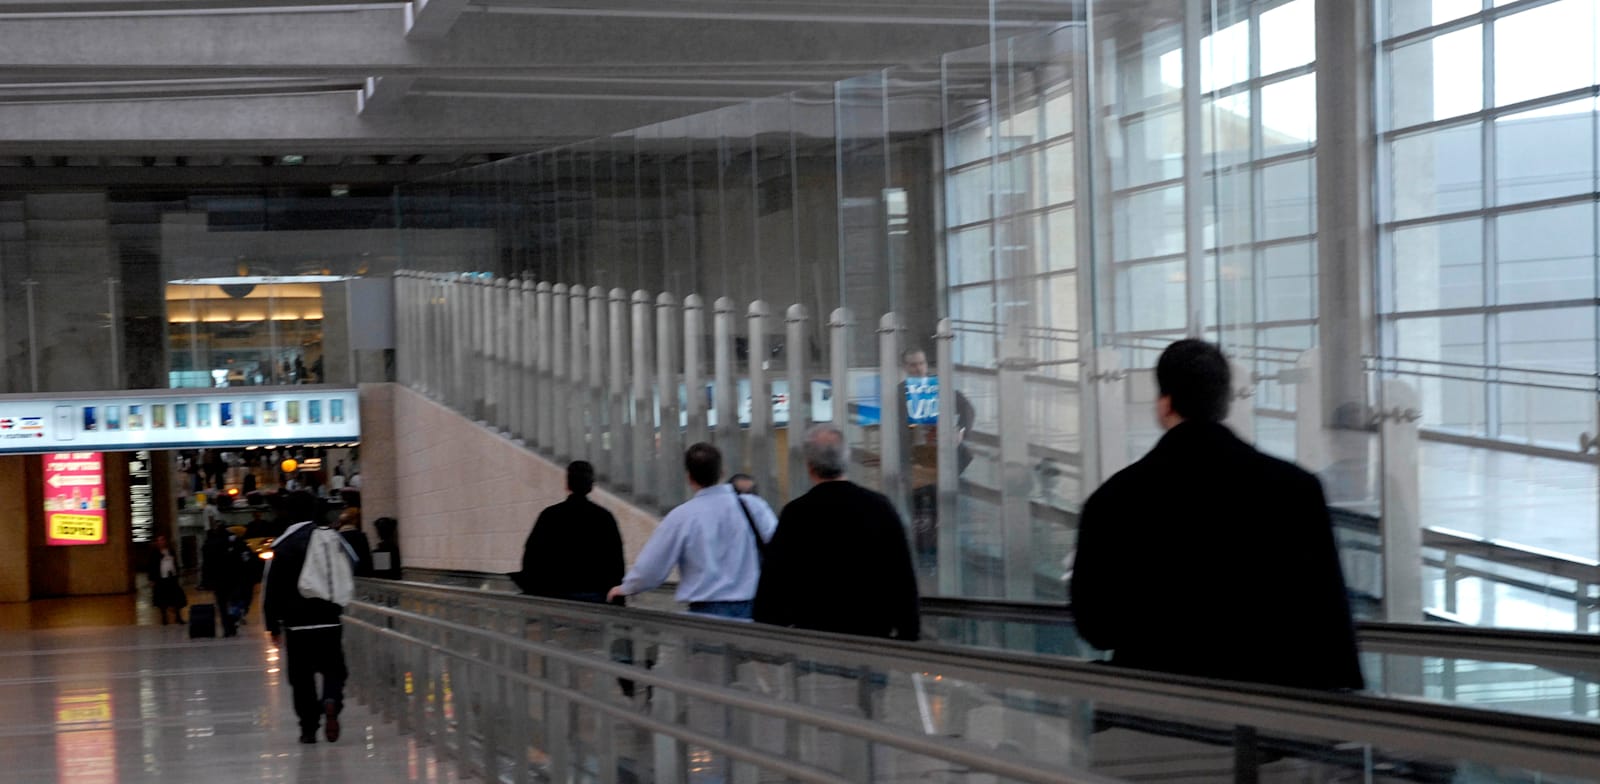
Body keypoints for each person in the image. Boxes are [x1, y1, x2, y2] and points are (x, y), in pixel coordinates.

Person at [1069, 339, 1364, 691]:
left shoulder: (1113, 500)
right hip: (1271, 709)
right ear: (1224, 402)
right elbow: (1327, 618)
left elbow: (1097, 628)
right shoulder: (1296, 490)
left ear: (1165, 405)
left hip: (1154, 709)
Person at [753, 425, 920, 640]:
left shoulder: (796, 513)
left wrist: (772, 624)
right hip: (872, 639)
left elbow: (775, 580)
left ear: (809, 466)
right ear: (846, 460)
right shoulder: (879, 506)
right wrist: (909, 632)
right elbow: (902, 575)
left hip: (814, 638)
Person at [607, 443, 776, 620]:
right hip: (753, 609)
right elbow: (780, 547)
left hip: (705, 615)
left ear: (689, 477)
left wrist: (626, 588)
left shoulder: (681, 517)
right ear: (722, 472)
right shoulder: (754, 506)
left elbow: (652, 566)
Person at [263, 492, 358, 744]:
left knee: (301, 678)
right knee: (334, 669)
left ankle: (308, 728)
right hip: (328, 618)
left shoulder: (282, 545)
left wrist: (272, 625)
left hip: (297, 625)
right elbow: (349, 567)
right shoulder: (329, 538)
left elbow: (272, 589)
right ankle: (331, 701)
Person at [898, 348, 976, 561]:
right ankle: (924, 551)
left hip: (942, 460)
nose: (919, 368)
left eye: (921, 363)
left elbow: (967, 409)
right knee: (918, 510)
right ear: (905, 368)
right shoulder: (899, 392)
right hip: (916, 461)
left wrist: (960, 430)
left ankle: (944, 551)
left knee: (943, 507)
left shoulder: (937, 386)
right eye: (913, 365)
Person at [515, 461, 625, 603]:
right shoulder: (605, 517)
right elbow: (616, 563)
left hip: (556, 599)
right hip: (596, 600)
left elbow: (531, 558)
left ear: (567, 485)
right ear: (591, 486)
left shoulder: (549, 516)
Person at [200, 521, 253, 637]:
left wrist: (206, 581)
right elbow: (247, 559)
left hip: (218, 580)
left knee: (222, 604)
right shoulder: (237, 542)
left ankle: (227, 628)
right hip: (234, 578)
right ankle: (233, 621)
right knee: (236, 600)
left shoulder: (211, 543)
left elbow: (207, 563)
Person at [147, 534, 186, 625]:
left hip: (171, 577)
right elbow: (151, 567)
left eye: (163, 540)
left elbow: (175, 562)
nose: (161, 542)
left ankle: (178, 616)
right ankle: (164, 618)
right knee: (162, 599)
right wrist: (151, 579)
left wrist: (177, 573)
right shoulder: (154, 553)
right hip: (161, 579)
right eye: (159, 540)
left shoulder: (170, 551)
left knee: (176, 598)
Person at [337, 507, 374, 578]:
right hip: (360, 576)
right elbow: (367, 560)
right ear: (355, 520)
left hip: (342, 577)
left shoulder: (335, 537)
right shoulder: (360, 536)